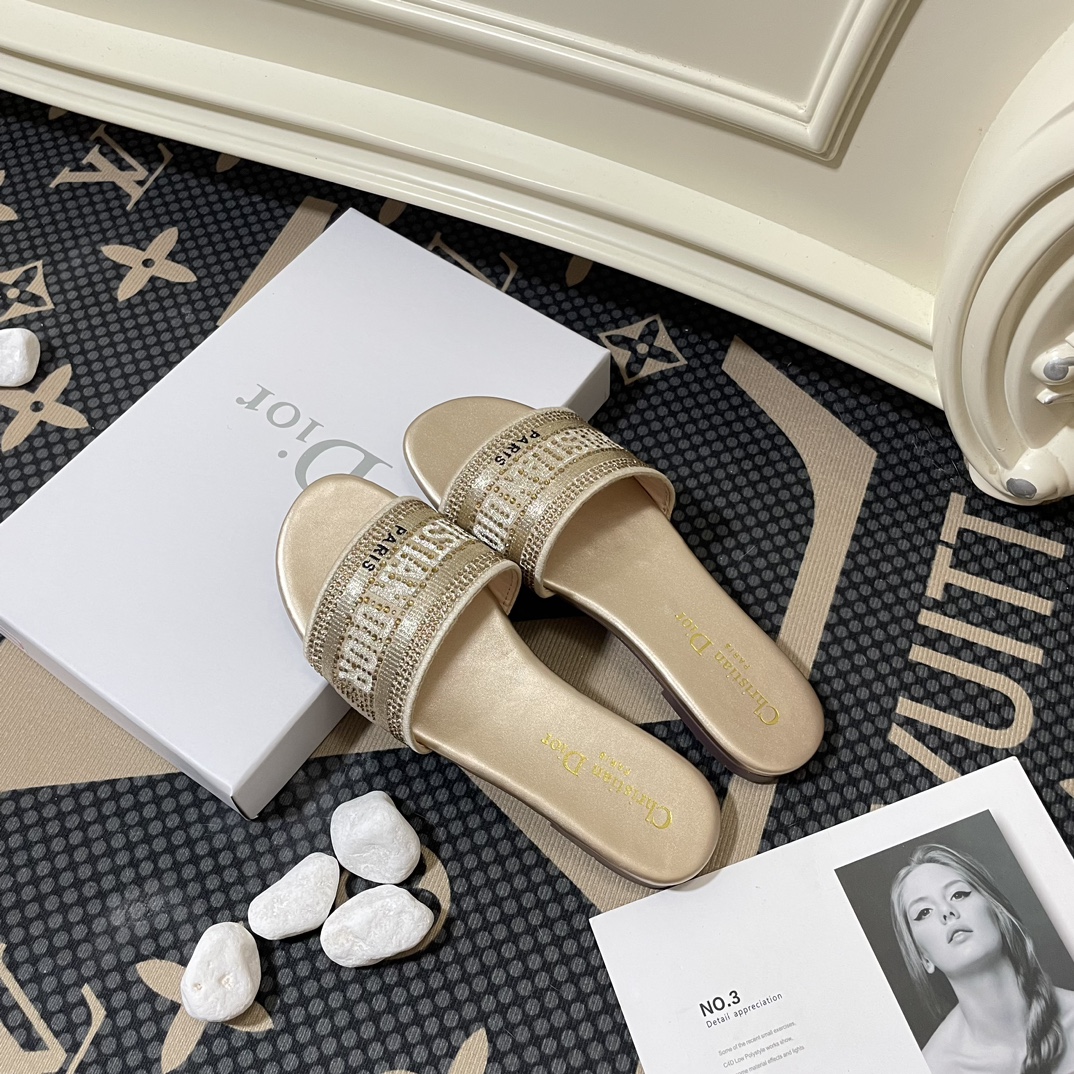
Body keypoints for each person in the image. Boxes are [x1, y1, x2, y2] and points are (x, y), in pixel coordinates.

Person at [890, 844, 1074, 1074]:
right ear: (923, 957)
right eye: (924, 912)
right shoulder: (933, 1067)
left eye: (958, 894)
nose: (946, 911)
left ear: (998, 913)